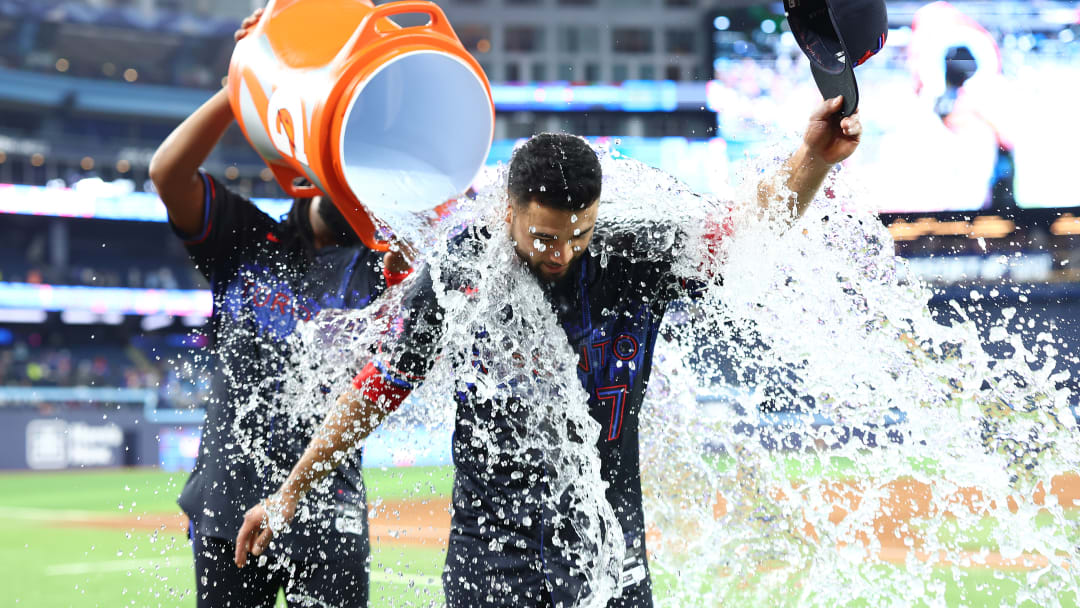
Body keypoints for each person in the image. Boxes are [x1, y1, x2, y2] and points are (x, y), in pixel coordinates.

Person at [235, 95, 862, 607]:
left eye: (579, 234)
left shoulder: (633, 254)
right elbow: (380, 386)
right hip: (489, 558)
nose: (561, 253)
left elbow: (745, 233)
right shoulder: (463, 268)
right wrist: (289, 493)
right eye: (543, 237)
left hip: (607, 549)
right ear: (508, 213)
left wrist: (813, 156)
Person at [151, 9, 411, 607]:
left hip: (329, 506)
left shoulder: (385, 265)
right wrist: (236, 86)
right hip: (225, 499)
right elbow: (167, 173)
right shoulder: (244, 237)